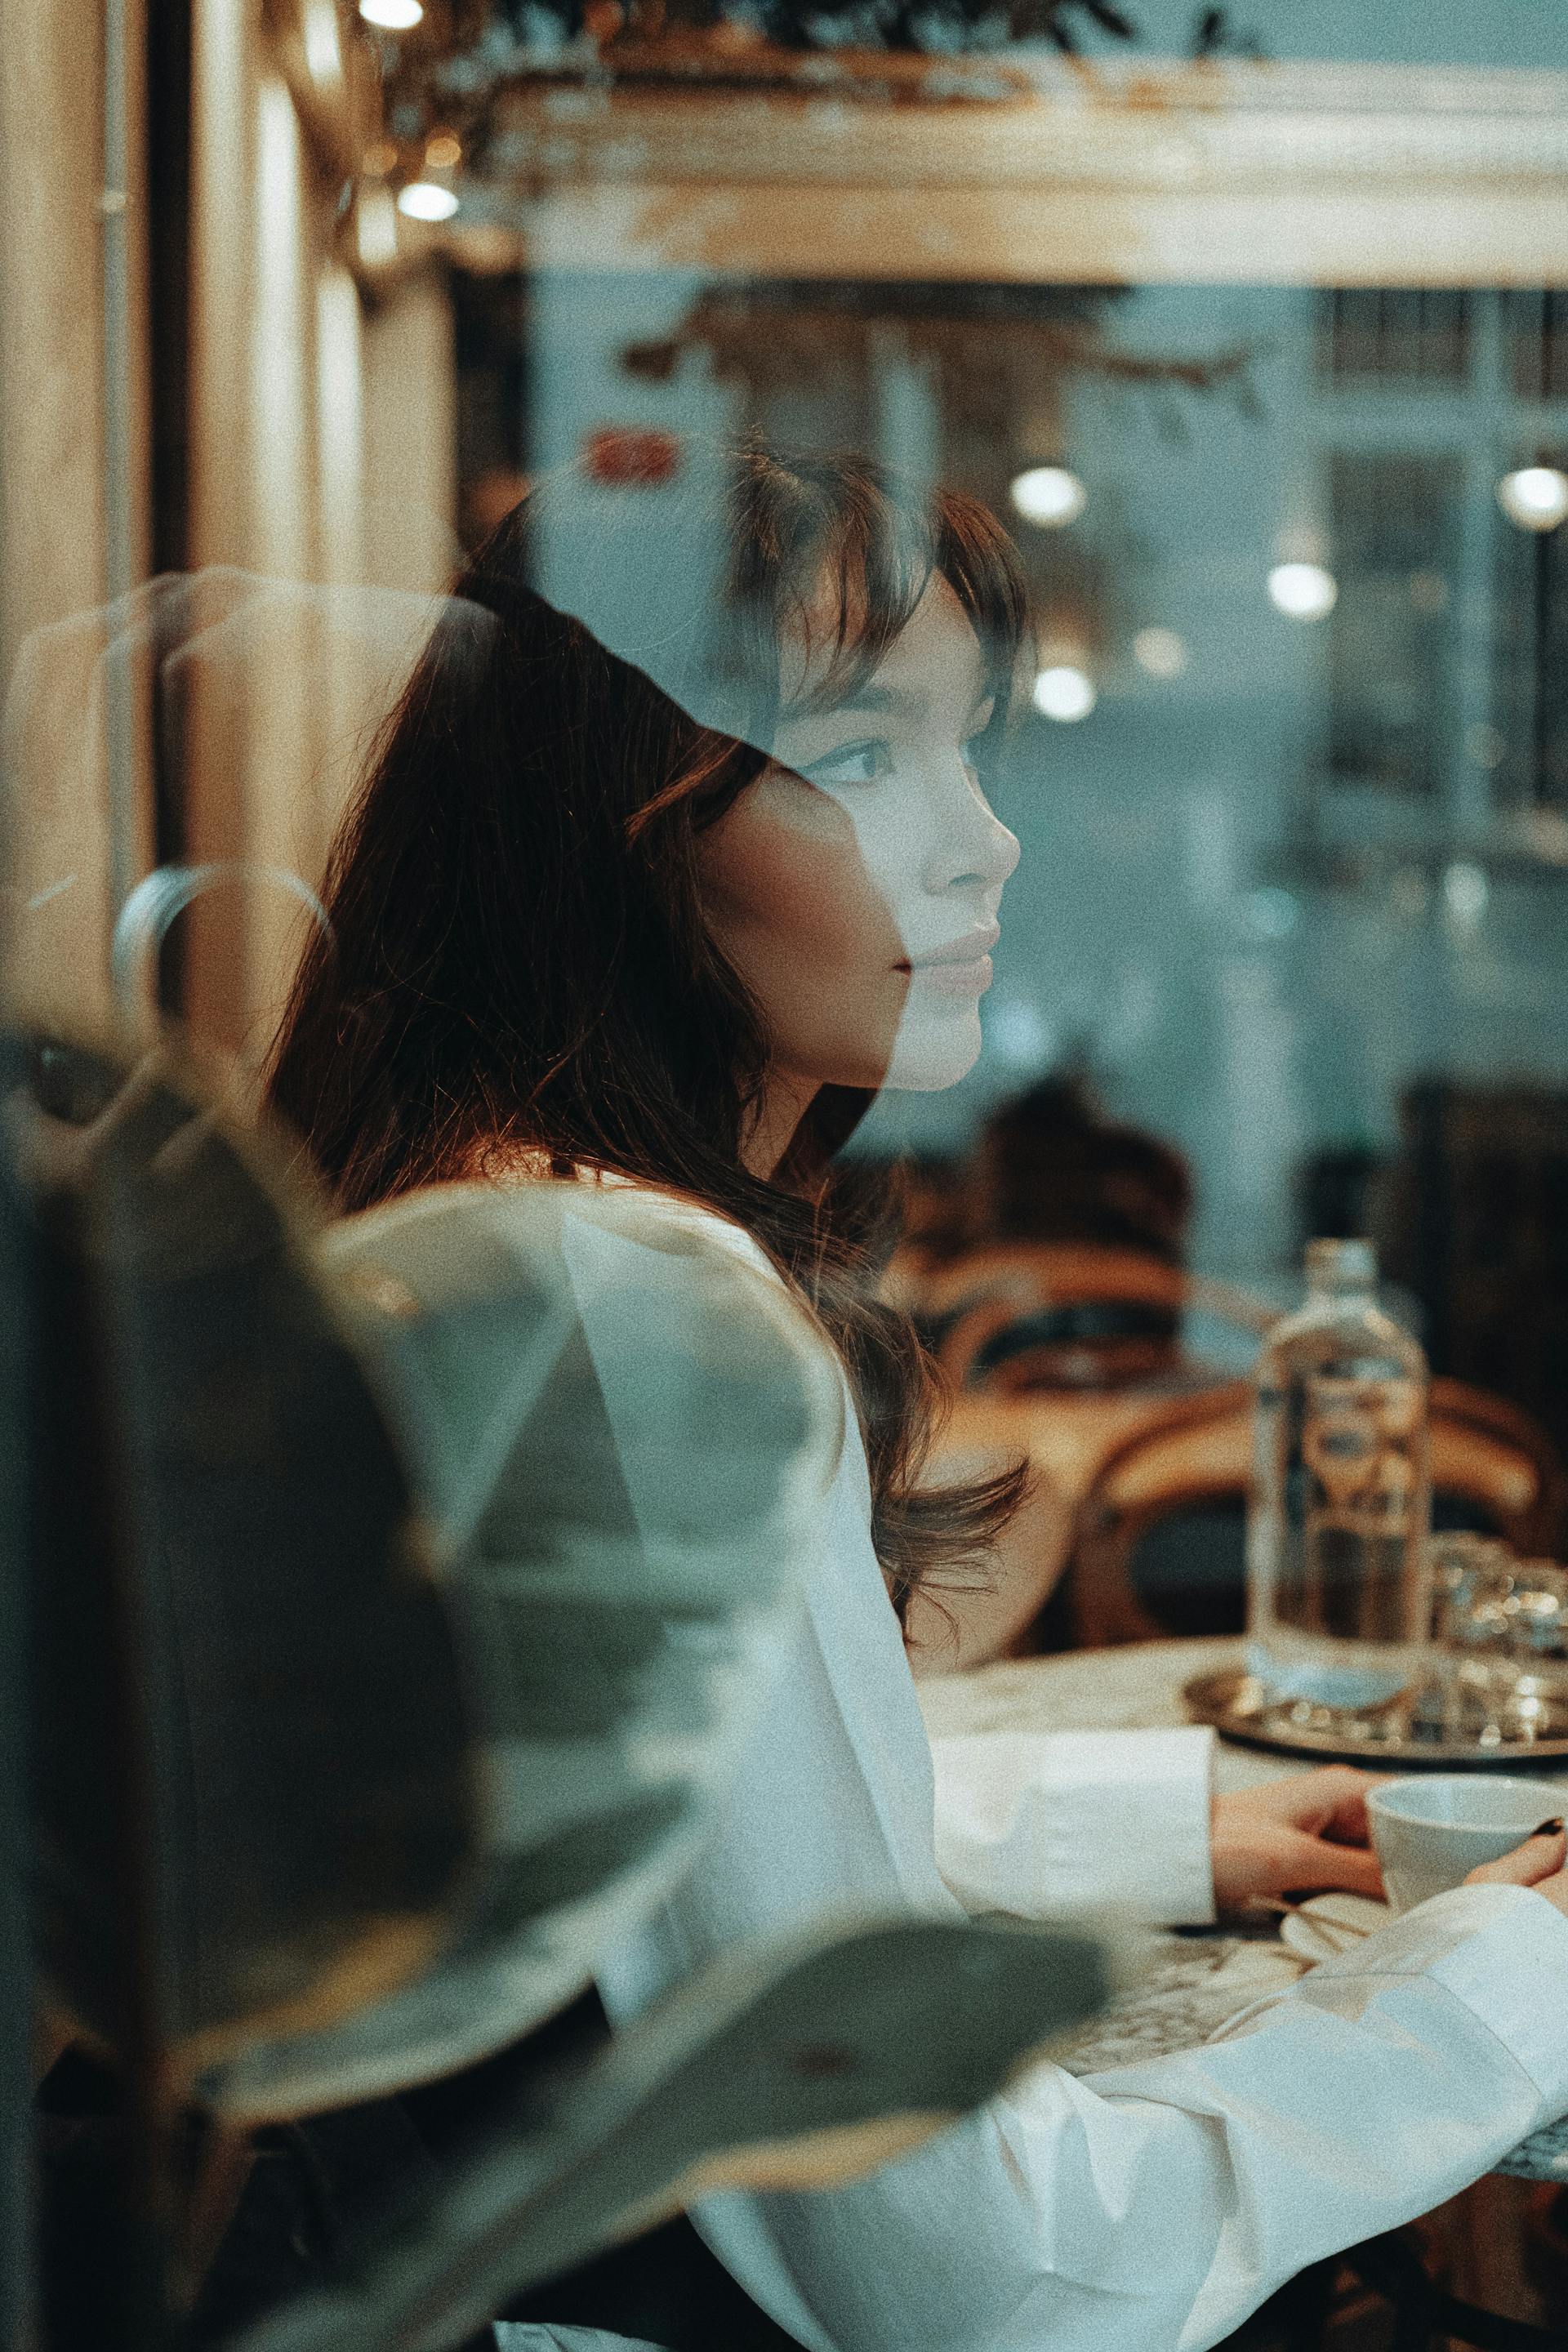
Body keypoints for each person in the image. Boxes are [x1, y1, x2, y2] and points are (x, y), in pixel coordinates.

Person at [266, 443, 1568, 2352]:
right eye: (864, 759)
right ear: (612, 832)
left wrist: (1145, 1827)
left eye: (970, 748)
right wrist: (1497, 1983)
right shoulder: (631, 1309)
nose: (984, 839)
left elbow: (644, 1854)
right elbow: (978, 2277)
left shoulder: (498, 1225)